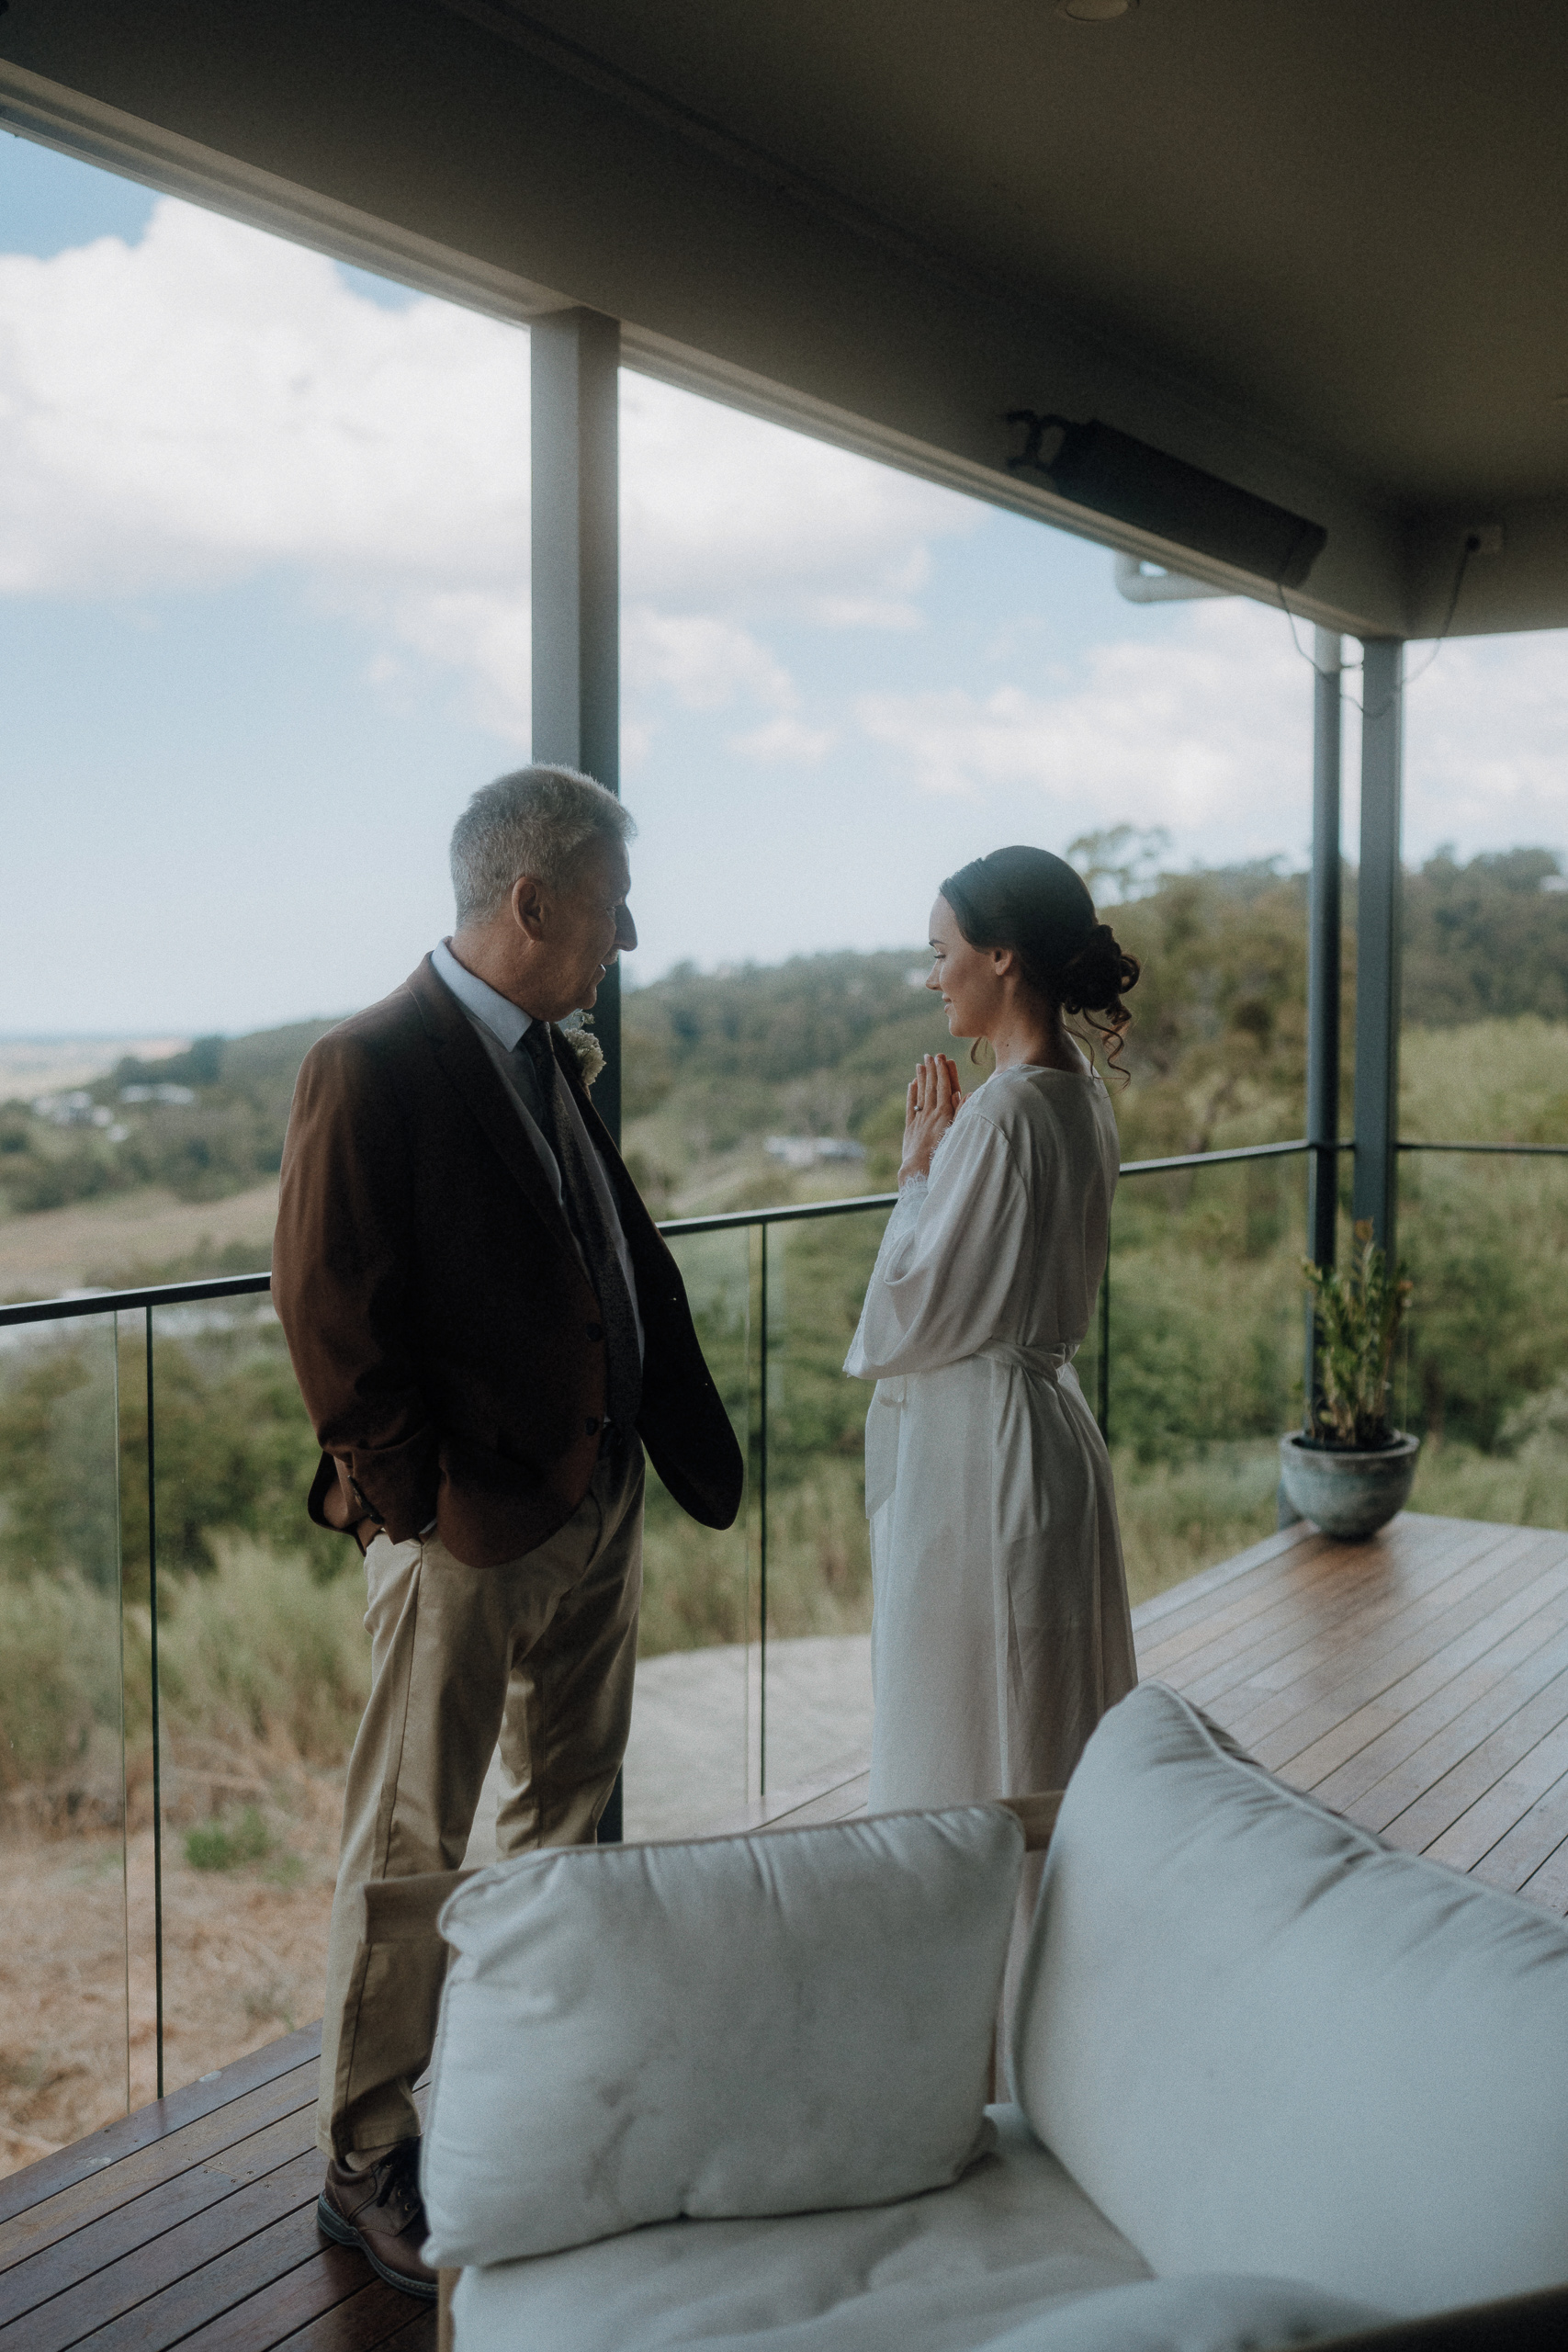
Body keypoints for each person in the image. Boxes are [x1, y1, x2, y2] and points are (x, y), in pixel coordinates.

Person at [272, 764, 743, 2301]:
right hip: (469, 1526)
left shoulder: (550, 1057)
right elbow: (331, 1314)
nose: (630, 927)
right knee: (412, 1846)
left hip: (593, 1499)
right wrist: (429, 1511)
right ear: (532, 902)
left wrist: (616, 1455)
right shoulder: (369, 1062)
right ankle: (365, 2158)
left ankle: (527, 2086)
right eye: (613, 896)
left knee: (569, 1815)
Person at [844, 844, 1140, 1841]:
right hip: (1049, 1426)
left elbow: (911, 1314)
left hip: (989, 1450)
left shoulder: (1006, 1112)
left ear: (1003, 957)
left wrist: (919, 1175)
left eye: (942, 952)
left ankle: (984, 1959)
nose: (934, 977)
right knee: (1043, 1706)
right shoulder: (1080, 1087)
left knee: (979, 1716)